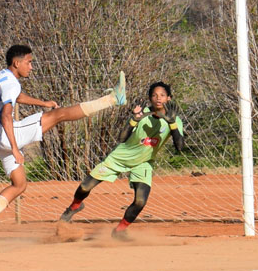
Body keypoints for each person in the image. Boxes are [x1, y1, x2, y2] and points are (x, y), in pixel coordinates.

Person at [0, 44, 127, 249]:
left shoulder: (4, 77)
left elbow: (17, 97)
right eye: (29, 62)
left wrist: (42, 103)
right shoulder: (11, 82)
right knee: (59, 115)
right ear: (16, 63)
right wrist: (15, 148)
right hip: (6, 133)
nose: (32, 67)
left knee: (19, 184)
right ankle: (112, 99)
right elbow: (6, 115)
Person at [59, 81, 184, 239]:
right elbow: (121, 138)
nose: (158, 98)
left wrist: (172, 124)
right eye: (154, 95)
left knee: (140, 201)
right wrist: (134, 120)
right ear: (150, 98)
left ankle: (120, 231)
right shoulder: (141, 113)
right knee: (84, 187)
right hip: (119, 158)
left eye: (162, 95)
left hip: (143, 163)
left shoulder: (174, 120)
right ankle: (75, 206)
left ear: (168, 98)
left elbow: (180, 147)